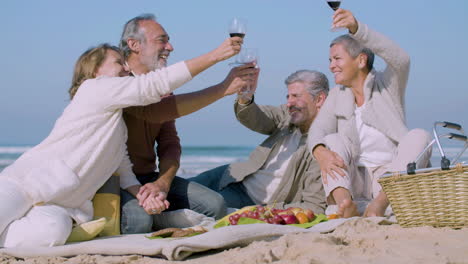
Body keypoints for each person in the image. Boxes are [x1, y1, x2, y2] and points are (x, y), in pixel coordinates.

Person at [0, 35, 242, 248]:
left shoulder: (116, 126)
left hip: (62, 205)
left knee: (51, 233)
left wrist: (147, 196)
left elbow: (124, 172)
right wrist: (216, 56)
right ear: (95, 70)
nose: (127, 68)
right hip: (25, 183)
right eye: (119, 63)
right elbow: (154, 84)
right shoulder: (93, 89)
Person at [118, 14, 257, 234]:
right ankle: (162, 217)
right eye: (161, 40)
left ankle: (162, 212)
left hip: (148, 177)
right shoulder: (117, 81)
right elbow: (153, 111)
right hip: (117, 180)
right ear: (134, 44)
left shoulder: (163, 87)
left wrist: (162, 183)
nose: (170, 47)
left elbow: (169, 144)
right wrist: (222, 87)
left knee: (215, 205)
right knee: (139, 222)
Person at [307, 9, 432, 218]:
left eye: (337, 59)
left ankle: (379, 206)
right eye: (330, 60)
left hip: (389, 181)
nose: (331, 66)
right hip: (355, 180)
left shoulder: (387, 85)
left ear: (361, 60)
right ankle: (344, 203)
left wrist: (357, 29)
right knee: (330, 139)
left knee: (420, 136)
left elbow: (401, 59)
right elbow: (318, 129)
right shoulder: (338, 94)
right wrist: (321, 152)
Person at [190, 70, 329, 214]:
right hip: (235, 175)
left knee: (190, 201)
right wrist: (245, 97)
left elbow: (314, 206)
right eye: (288, 96)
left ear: (319, 99)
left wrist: (262, 211)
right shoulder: (288, 116)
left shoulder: (323, 147)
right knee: (180, 188)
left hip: (247, 200)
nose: (289, 103)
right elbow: (257, 118)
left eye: (296, 96)